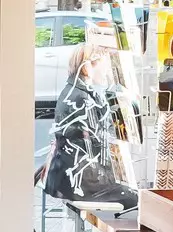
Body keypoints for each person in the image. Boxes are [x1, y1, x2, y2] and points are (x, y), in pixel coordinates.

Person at [43, 45, 138, 212]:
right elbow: (96, 147)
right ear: (87, 67)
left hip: (64, 176)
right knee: (135, 198)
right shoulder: (83, 99)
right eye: (104, 65)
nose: (108, 71)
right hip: (83, 182)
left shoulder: (73, 90)